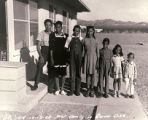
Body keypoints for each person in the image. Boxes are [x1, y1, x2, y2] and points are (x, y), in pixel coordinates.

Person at [32, 19, 53, 90]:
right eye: (46, 25)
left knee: (51, 68)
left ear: (51, 26)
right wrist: (41, 56)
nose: (48, 26)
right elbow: (38, 46)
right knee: (39, 65)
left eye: (49, 25)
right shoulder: (41, 33)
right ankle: (36, 84)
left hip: (51, 52)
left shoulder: (53, 34)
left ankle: (50, 85)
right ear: (44, 25)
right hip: (43, 51)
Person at [49, 21, 68, 95]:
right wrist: (51, 58)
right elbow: (51, 48)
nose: (58, 28)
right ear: (55, 28)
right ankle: (57, 89)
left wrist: (67, 59)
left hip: (63, 57)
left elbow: (67, 49)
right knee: (56, 74)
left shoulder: (66, 36)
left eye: (59, 27)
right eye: (56, 27)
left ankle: (62, 89)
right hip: (55, 57)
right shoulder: (52, 35)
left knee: (63, 74)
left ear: (61, 27)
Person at [65, 25, 83, 96]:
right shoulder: (69, 38)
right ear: (73, 30)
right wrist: (67, 58)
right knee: (72, 73)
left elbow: (83, 49)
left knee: (78, 73)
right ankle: (71, 90)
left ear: (79, 31)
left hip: (79, 58)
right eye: (75, 30)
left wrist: (82, 58)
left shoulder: (81, 39)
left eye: (78, 31)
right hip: (72, 58)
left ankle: (77, 90)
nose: (77, 32)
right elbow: (66, 48)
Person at [83, 26, 99, 97]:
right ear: (87, 32)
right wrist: (83, 60)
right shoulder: (84, 40)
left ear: (93, 32)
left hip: (94, 58)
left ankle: (92, 89)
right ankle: (88, 89)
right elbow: (83, 51)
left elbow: (97, 52)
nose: (90, 33)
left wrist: (98, 61)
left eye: (91, 31)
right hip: (87, 58)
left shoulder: (96, 40)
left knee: (93, 75)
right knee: (88, 74)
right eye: (88, 31)